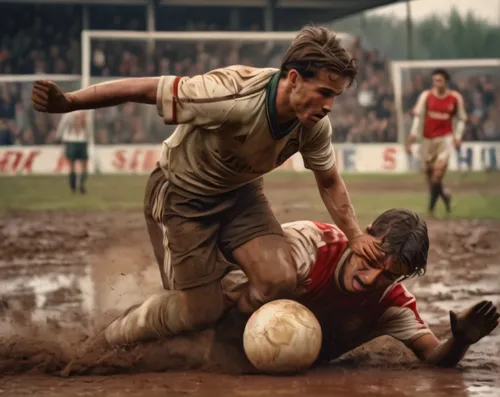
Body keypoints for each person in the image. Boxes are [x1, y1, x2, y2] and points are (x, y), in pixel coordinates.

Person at [32, 26, 382, 343]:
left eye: (335, 95)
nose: (329, 106)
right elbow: (142, 87)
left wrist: (355, 235)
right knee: (197, 311)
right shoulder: (230, 95)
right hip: (181, 196)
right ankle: (111, 338)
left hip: (241, 195)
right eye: (324, 92)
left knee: (279, 280)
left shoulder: (314, 125)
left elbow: (329, 180)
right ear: (293, 78)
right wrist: (70, 102)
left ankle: (228, 338)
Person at [103, 208, 499, 368]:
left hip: (267, 366)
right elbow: (229, 288)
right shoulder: (311, 244)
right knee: (193, 311)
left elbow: (434, 357)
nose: (371, 280)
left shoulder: (390, 303)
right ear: (365, 235)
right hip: (218, 327)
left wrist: (460, 340)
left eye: (390, 276)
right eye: (373, 261)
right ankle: (111, 334)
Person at [405, 68, 467, 217]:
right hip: (427, 139)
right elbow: (418, 117)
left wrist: (457, 136)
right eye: (434, 80)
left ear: (446, 82)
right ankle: (445, 196)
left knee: (437, 175)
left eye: (439, 80)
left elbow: (462, 119)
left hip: (445, 140)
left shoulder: (455, 98)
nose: (436, 83)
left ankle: (431, 210)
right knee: (430, 176)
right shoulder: (426, 96)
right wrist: (412, 136)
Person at [56, 110, 92, 194]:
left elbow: (63, 124)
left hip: (70, 140)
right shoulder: (86, 111)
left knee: (71, 166)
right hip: (82, 140)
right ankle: (82, 183)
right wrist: (89, 138)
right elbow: (89, 125)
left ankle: (73, 186)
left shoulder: (69, 111)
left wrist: (58, 136)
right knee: (85, 165)